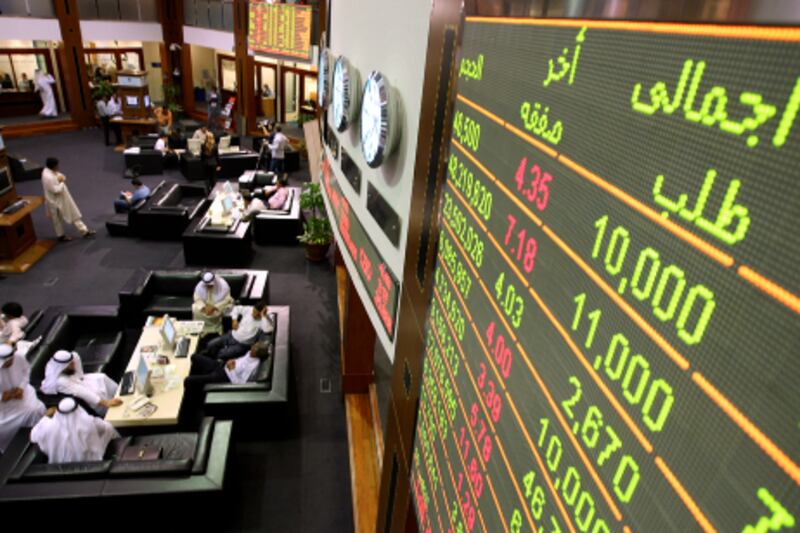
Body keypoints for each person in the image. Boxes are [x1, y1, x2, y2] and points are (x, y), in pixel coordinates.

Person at [183, 341, 270, 412]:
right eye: (254, 345)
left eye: (254, 347)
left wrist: (232, 369)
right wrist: (232, 361)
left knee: (189, 380)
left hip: (225, 377)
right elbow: (240, 361)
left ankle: (191, 405)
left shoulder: (253, 367)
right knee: (194, 357)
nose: (252, 347)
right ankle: (198, 387)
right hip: (222, 367)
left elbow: (240, 384)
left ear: (256, 352)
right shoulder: (250, 353)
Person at [30, 397, 119, 464]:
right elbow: (105, 427)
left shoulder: (46, 426)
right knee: (108, 427)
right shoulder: (88, 423)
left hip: (59, 465)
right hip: (90, 463)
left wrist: (45, 417)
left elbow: (33, 436)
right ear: (78, 409)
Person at [41, 350, 122, 414]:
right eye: (70, 364)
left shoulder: (71, 360)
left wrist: (80, 376)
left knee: (101, 377)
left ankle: (121, 392)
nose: (73, 365)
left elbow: (77, 364)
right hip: (80, 393)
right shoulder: (60, 381)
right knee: (99, 393)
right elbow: (80, 391)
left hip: (80, 381)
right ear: (62, 367)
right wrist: (105, 402)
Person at [0, 344, 46, 452]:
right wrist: (2, 396)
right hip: (3, 406)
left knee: (36, 409)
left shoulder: (19, 357)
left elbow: (26, 371)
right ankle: (11, 450)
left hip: (23, 394)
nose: (9, 364)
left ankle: (40, 438)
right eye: (6, 363)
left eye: (10, 361)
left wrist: (21, 387)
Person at [42, 157, 96, 241]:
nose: (58, 167)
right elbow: (56, 190)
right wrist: (62, 182)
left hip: (64, 198)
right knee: (58, 220)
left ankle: (84, 231)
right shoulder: (48, 177)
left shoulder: (49, 171)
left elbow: (60, 175)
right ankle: (61, 236)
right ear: (53, 166)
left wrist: (61, 178)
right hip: (55, 202)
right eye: (57, 165)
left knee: (74, 214)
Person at [201, 301, 272, 361]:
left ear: (261, 313)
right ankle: (210, 356)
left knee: (222, 354)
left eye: (256, 313)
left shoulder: (263, 320)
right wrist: (234, 320)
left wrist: (263, 316)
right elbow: (236, 308)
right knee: (211, 344)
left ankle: (209, 359)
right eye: (253, 311)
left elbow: (268, 330)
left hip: (241, 345)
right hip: (231, 335)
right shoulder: (249, 309)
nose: (253, 314)